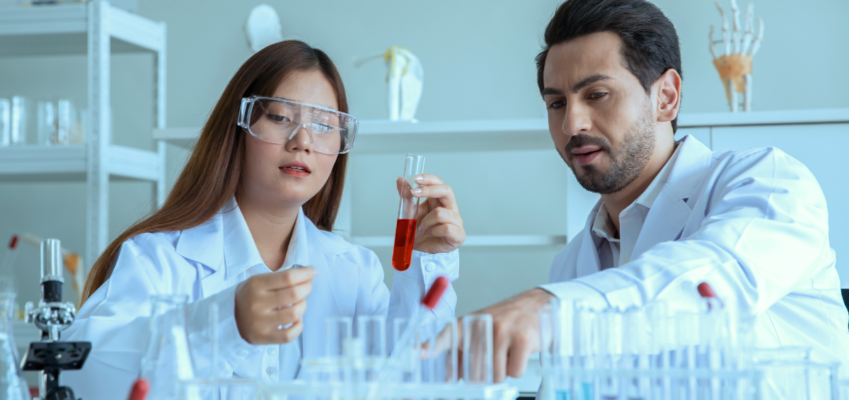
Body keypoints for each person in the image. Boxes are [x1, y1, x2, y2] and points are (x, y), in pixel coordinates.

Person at [455, 0, 849, 382]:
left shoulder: (768, 182)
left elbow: (710, 283)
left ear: (666, 97)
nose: (571, 124)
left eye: (596, 95)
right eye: (556, 103)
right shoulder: (572, 263)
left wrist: (551, 309)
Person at [63, 41, 465, 398]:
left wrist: (426, 264)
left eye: (324, 125)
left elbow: (411, 375)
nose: (303, 141)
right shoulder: (159, 258)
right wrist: (223, 323)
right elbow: (81, 370)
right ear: (236, 128)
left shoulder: (352, 272)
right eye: (279, 117)